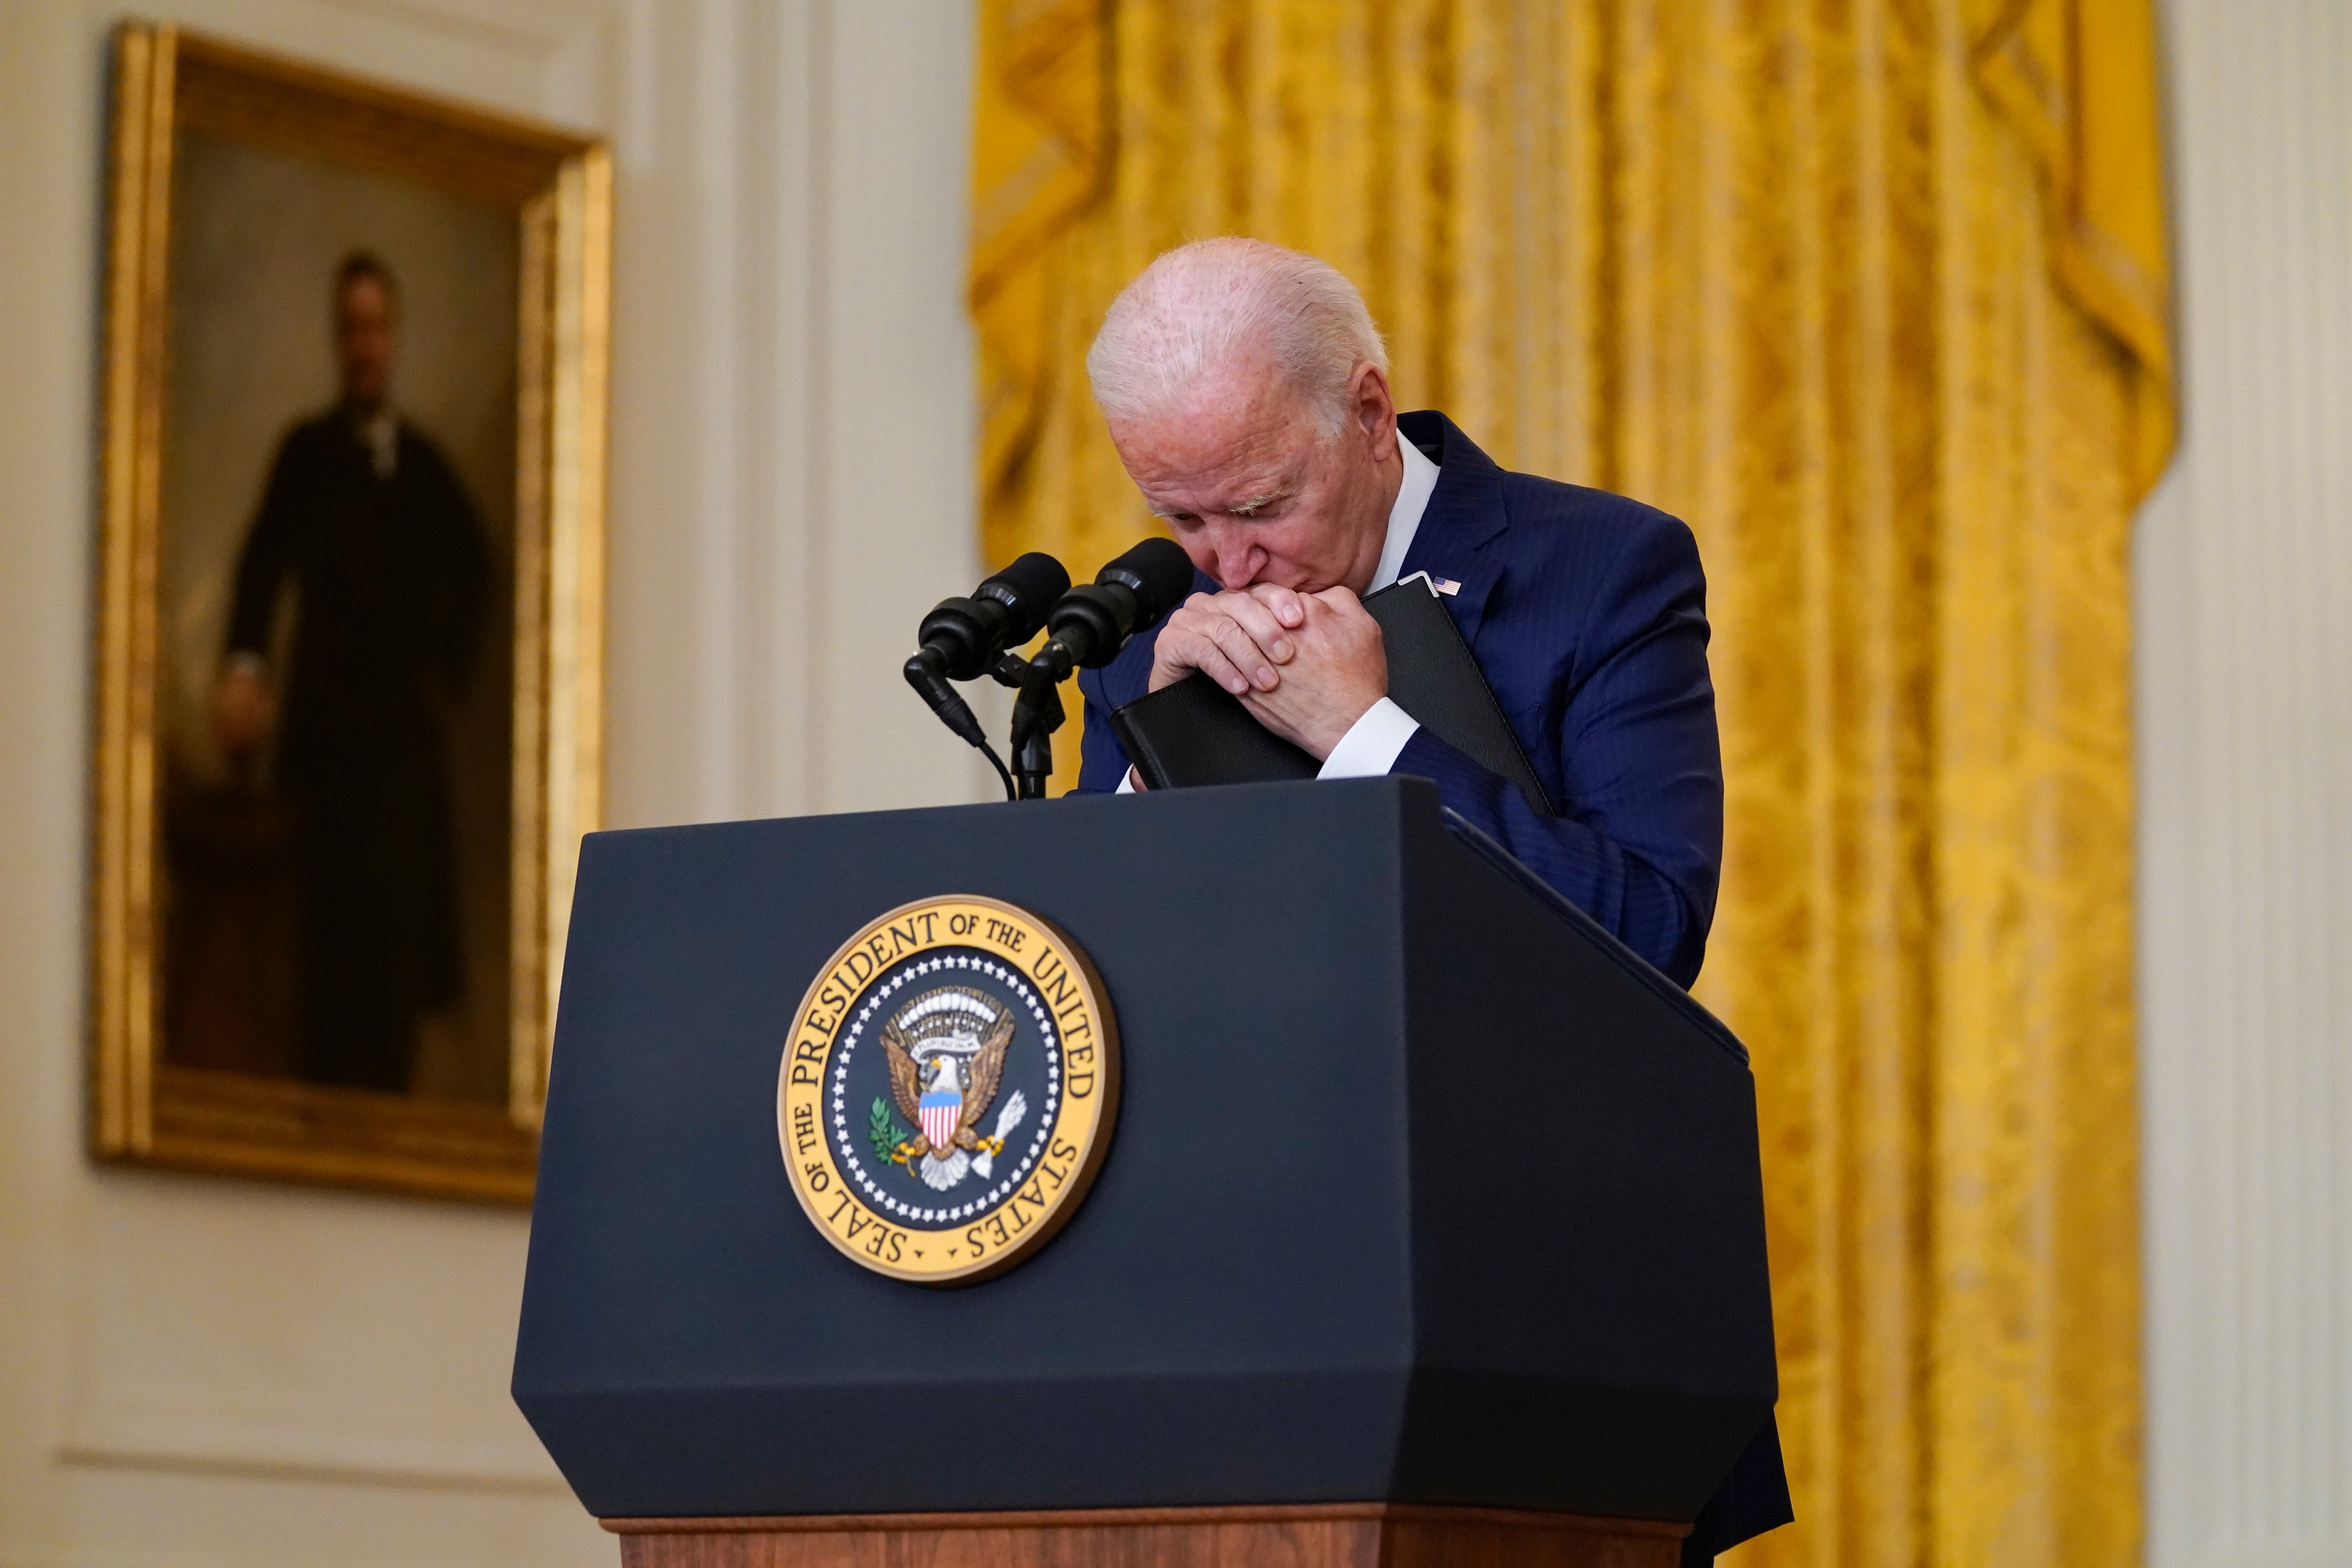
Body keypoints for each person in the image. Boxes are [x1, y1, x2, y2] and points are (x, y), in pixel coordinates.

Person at [1071, 237, 1789, 1561]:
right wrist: (1148, 747)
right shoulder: (1140, 643)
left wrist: (1365, 733)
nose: (1224, 567)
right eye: (1181, 520)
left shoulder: (1603, 570)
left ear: (1363, 410)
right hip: (1229, 1345)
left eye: (1259, 507)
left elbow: (1644, 939)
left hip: (1540, 1334)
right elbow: (1090, 1003)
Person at [211, 252, 490, 1093]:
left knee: (394, 968)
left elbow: (478, 569)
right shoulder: (305, 455)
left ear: (392, 338)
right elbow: (262, 567)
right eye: (351, 329)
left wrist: (444, 672)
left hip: (401, 765)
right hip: (327, 753)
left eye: (376, 328)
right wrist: (246, 667)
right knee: (325, 964)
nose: (364, 346)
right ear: (339, 340)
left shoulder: (428, 471)